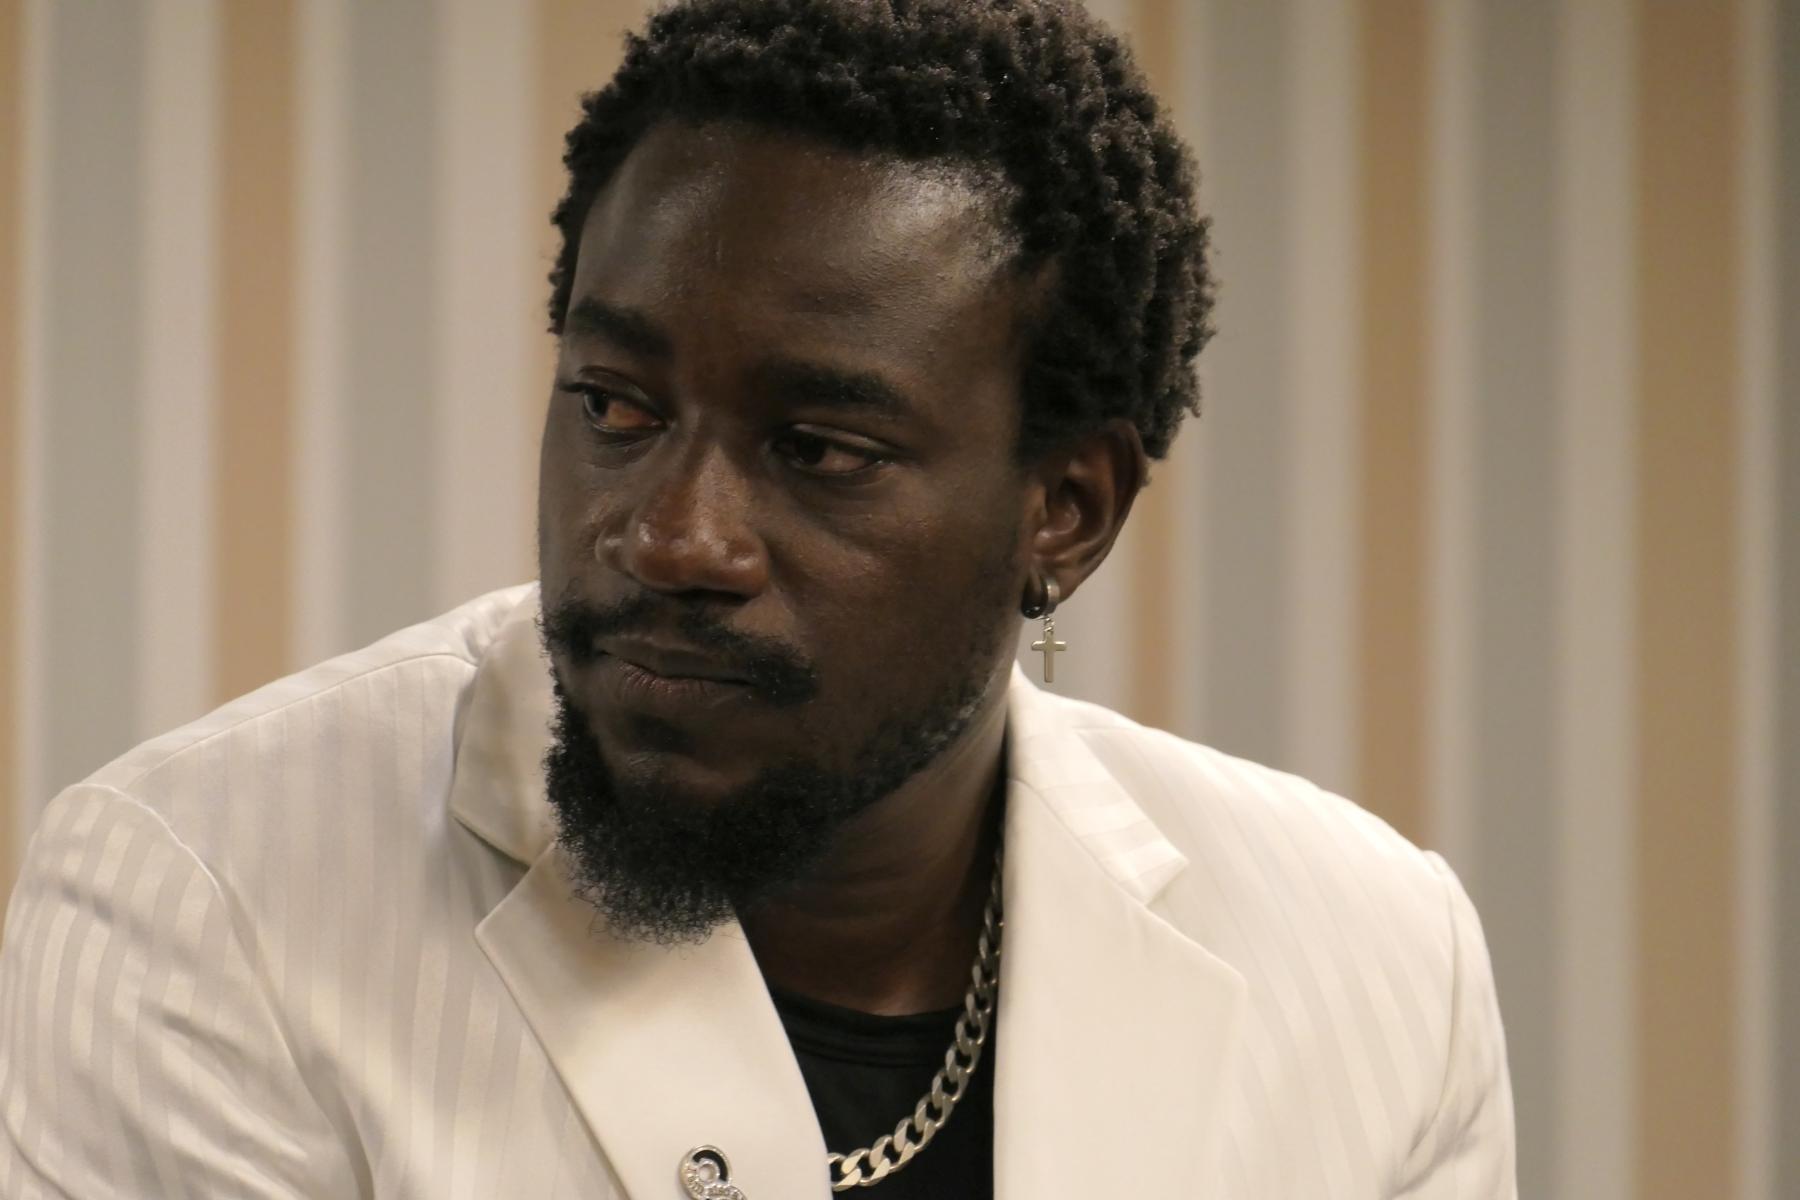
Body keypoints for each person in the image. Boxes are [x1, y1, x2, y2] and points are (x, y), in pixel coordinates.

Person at [0, 1, 1516, 1196]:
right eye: (616, 406)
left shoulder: (1374, 963)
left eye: (820, 450)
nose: (673, 538)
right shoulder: (205, 902)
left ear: (1066, 509)